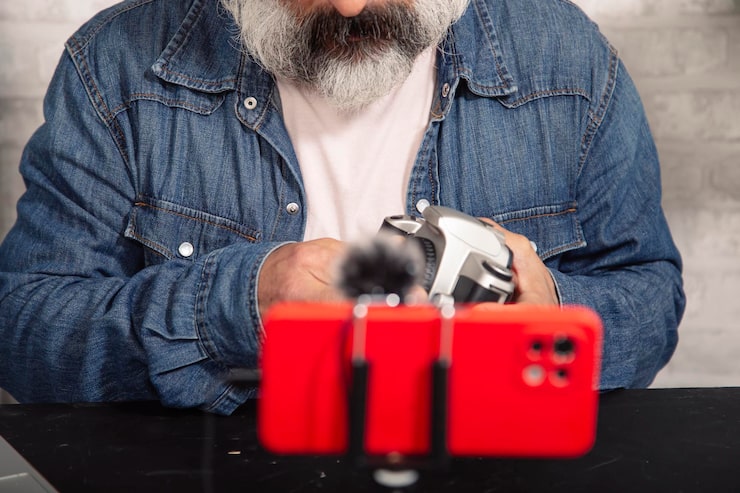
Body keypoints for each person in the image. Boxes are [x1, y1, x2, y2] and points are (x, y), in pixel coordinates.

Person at [0, 0, 685, 414]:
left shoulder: (567, 60)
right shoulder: (115, 65)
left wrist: (555, 317)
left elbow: (650, 294)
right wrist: (235, 306)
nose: (351, 8)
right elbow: (24, 331)